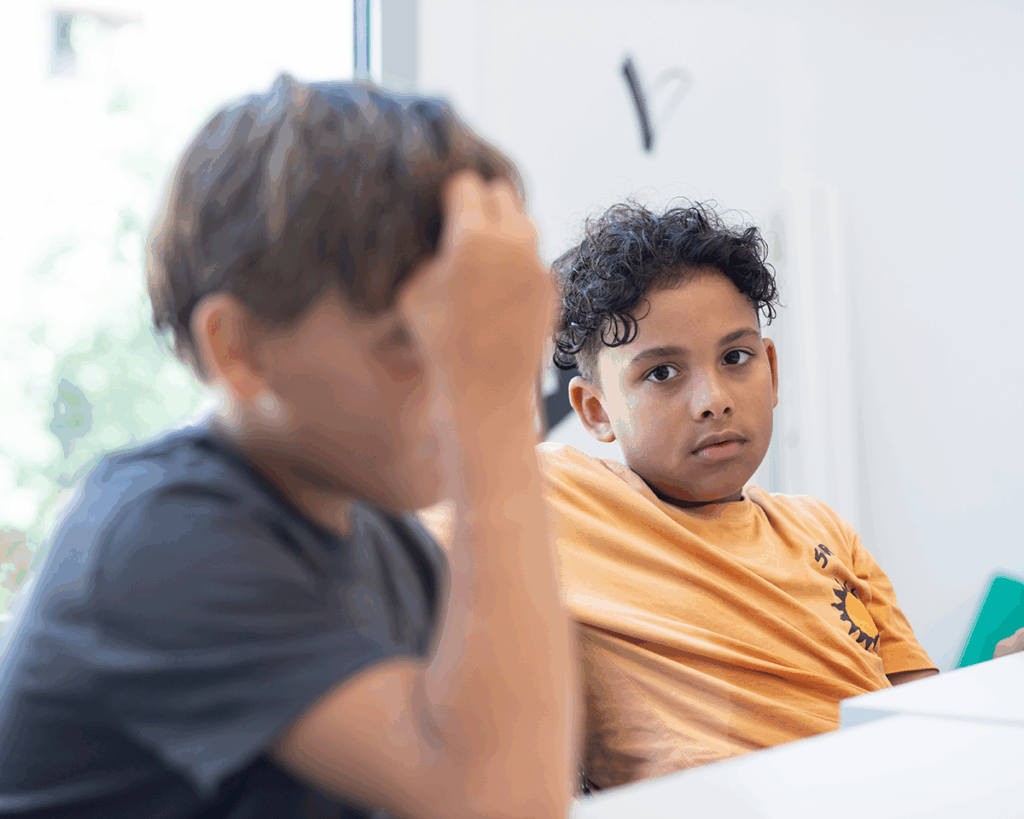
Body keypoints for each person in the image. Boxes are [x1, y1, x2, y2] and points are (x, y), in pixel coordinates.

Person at [0, 76, 578, 819]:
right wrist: (493, 405)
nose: (460, 373)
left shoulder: (392, 545)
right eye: (410, 341)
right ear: (239, 349)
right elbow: (502, 802)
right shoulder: (158, 539)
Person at [540, 201, 939, 790]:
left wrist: (999, 682)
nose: (714, 400)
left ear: (770, 369)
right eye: (661, 373)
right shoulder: (560, 502)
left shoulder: (823, 530)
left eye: (735, 358)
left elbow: (928, 723)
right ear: (595, 410)